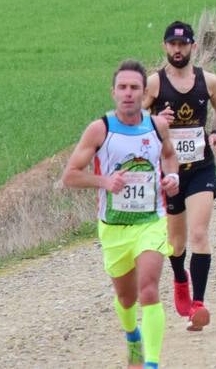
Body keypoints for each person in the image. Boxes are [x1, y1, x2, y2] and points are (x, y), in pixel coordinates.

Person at [62, 61, 182, 369]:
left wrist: (173, 179)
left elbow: (169, 156)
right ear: (113, 92)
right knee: (127, 299)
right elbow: (71, 176)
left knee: (149, 289)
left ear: (144, 93)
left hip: (151, 222)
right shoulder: (100, 129)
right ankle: (132, 337)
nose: (128, 94)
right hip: (114, 227)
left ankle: (152, 364)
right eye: (123, 88)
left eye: (135, 88)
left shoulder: (157, 126)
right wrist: (104, 182)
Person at [143, 21, 216, 332]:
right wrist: (155, 121)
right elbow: (134, 122)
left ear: (192, 46)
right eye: (172, 45)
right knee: (176, 243)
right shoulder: (154, 84)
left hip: (201, 168)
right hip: (169, 173)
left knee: (199, 235)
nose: (177, 50)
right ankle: (180, 278)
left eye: (183, 45)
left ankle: (198, 304)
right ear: (165, 47)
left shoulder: (209, 81)